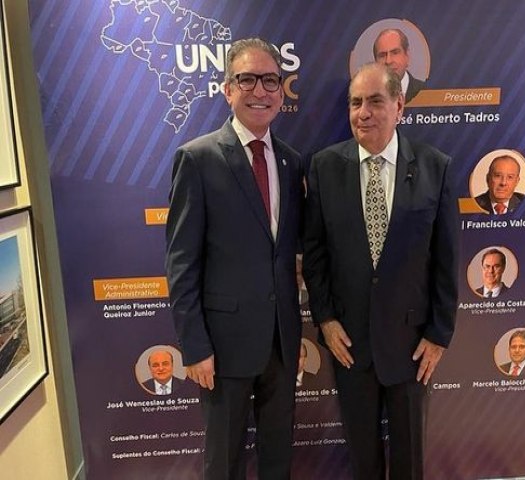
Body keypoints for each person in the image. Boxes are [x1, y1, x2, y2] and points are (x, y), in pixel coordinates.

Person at [303, 62, 458, 480]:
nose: (363, 113)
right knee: (362, 458)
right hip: (349, 343)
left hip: (412, 345)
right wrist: (326, 319)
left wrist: (439, 334)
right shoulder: (323, 167)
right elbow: (314, 254)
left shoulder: (435, 167)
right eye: (355, 103)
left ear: (399, 106)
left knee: (409, 460)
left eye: (374, 101)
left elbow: (446, 259)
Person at [165, 38, 304, 479]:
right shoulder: (198, 159)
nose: (260, 91)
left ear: (281, 91)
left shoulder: (291, 162)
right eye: (247, 79)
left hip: (281, 343)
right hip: (221, 349)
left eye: (270, 81)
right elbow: (182, 263)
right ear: (227, 89)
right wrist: (195, 347)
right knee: (224, 462)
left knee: (278, 457)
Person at [373, 28, 425, 103]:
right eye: (382, 55)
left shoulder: (426, 91)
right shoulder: (367, 94)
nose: (388, 61)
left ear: (407, 56)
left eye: (395, 53)